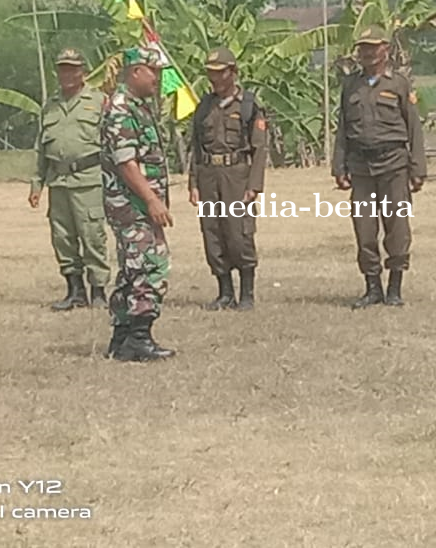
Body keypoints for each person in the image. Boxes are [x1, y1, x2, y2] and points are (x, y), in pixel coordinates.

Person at [332, 25, 427, 308]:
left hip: (394, 165)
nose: (368, 53)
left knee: (396, 227)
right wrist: (339, 166)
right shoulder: (351, 85)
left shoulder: (399, 84)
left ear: (386, 48)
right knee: (364, 229)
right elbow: (342, 129)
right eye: (363, 48)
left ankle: (394, 288)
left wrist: (417, 168)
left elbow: (414, 128)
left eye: (374, 47)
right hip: (361, 167)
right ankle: (372, 287)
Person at [101, 47, 175, 361]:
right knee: (151, 266)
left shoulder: (137, 106)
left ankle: (122, 337)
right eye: (152, 71)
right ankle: (139, 338)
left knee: (132, 270)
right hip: (133, 205)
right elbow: (127, 163)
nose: (157, 78)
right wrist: (152, 200)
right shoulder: (121, 108)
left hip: (134, 204)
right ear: (134, 72)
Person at [29, 48, 111, 311]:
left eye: (72, 69)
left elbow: (112, 144)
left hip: (89, 180)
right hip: (59, 181)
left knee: (92, 236)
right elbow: (41, 148)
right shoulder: (50, 105)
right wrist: (36, 184)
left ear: (82, 72)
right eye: (62, 69)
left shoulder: (99, 102)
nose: (67, 74)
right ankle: (75, 290)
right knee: (62, 238)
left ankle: (98, 291)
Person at [188, 47, 269, 311]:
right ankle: (225, 293)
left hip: (237, 175)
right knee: (212, 233)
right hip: (209, 175)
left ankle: (246, 293)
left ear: (232, 72)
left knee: (239, 233)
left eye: (220, 72)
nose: (214, 78)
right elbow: (196, 147)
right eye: (210, 73)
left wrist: (254, 185)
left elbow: (259, 148)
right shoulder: (204, 106)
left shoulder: (247, 105)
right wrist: (193, 183)